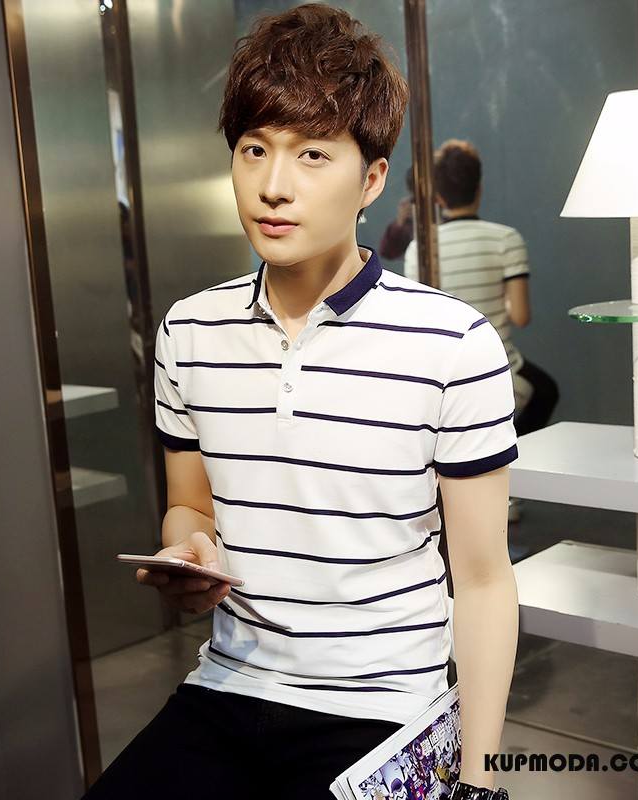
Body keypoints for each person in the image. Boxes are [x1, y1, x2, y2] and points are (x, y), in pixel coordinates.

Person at [82, 6, 514, 799]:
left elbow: (484, 581)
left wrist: (479, 782)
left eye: (312, 153)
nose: (273, 186)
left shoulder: (453, 344)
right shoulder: (190, 331)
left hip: (384, 708)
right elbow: (190, 507)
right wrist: (189, 553)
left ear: (372, 179)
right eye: (254, 149)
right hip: (229, 684)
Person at [403, 139, 558, 522]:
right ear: (480, 187)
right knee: (545, 391)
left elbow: (420, 319)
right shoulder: (506, 238)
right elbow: (520, 315)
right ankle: (508, 488)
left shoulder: (420, 247)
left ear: (438, 196)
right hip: (499, 364)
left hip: (440, 369)